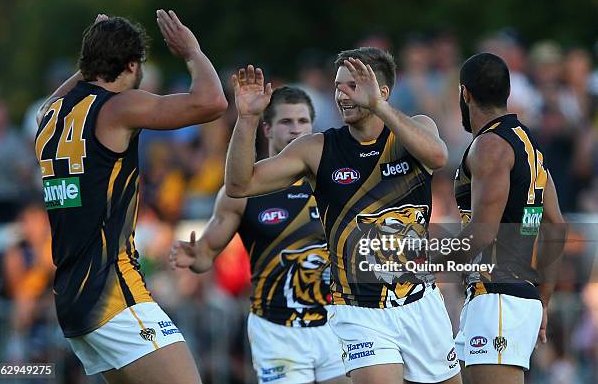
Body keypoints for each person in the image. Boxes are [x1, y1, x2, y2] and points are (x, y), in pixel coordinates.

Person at [224, 48, 461, 384]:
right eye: (338, 85)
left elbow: (438, 157)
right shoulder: (317, 148)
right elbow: (238, 184)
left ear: (383, 92)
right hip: (358, 310)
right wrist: (246, 119)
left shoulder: (416, 128)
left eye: (352, 85)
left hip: (421, 302)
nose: (341, 94)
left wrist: (379, 107)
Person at [34, 11, 227, 384]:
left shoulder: (50, 115)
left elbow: (68, 92)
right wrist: (192, 51)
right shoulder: (119, 106)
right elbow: (212, 102)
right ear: (132, 65)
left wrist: (94, 51)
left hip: (73, 300)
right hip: (113, 296)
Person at [170, 86, 349, 384]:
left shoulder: (334, 183)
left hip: (335, 321)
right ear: (266, 128)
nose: (296, 130)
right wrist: (194, 255)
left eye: (303, 122)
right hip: (276, 328)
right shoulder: (241, 193)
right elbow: (205, 256)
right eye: (286, 122)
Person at [451, 52, 567, 384]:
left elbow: (483, 232)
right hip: (513, 295)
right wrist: (542, 301)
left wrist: (425, 258)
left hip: (498, 297)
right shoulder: (528, 146)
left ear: (465, 93)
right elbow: (555, 225)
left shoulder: (490, 145)